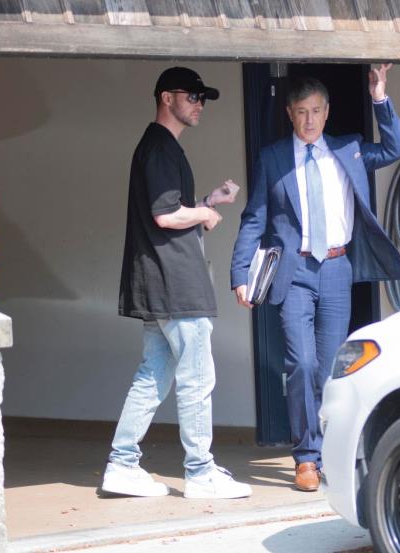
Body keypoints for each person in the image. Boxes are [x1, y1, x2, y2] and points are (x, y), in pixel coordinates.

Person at [230, 64, 400, 492]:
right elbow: (255, 216)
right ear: (290, 113)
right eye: (301, 112)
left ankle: (331, 451)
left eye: (316, 111)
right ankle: (306, 457)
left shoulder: (349, 149)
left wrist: (379, 96)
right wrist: (240, 272)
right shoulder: (272, 157)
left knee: (329, 368)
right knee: (301, 363)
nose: (309, 120)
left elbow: (396, 148)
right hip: (294, 272)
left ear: (326, 113)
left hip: (336, 269)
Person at [101, 66, 252, 500]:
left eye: (203, 99)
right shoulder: (160, 149)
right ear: (167, 98)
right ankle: (201, 473)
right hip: (177, 283)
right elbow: (166, 216)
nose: (198, 105)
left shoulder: (158, 148)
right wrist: (203, 213)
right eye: (192, 97)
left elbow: (167, 214)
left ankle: (122, 463)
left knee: (153, 374)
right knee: (196, 377)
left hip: (160, 282)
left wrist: (207, 202)